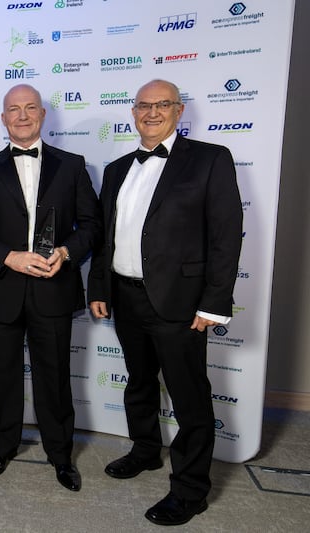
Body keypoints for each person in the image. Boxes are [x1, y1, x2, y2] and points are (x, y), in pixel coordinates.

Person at [87, 79, 243, 526]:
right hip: (126, 295)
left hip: (180, 302)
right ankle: (145, 451)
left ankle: (190, 491)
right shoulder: (117, 168)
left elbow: (226, 236)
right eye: (143, 105)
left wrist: (213, 304)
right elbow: (105, 238)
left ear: (179, 111)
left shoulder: (211, 159)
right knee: (138, 382)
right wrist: (98, 288)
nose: (151, 112)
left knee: (190, 397)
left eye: (162, 105)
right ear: (133, 112)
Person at [0, 84, 101, 492]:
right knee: (2, 377)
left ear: (43, 115)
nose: (22, 116)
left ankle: (61, 456)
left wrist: (67, 252)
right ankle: (2, 447)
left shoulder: (73, 165)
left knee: (54, 377)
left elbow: (92, 226)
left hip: (53, 289)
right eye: (13, 110)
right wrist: (10, 257)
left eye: (30, 108)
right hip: (1, 291)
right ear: (3, 119)